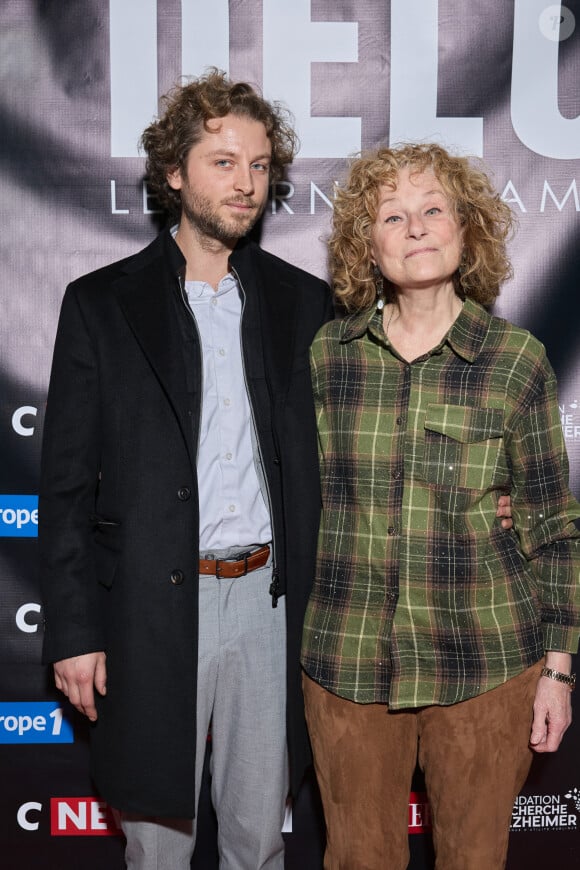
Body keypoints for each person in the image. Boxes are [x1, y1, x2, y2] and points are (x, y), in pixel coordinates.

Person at [38, 69, 333, 870]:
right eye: (224, 162)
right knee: (159, 849)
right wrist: (73, 631)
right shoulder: (101, 303)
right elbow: (64, 490)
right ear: (175, 172)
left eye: (261, 165)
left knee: (257, 844)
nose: (246, 184)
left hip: (271, 604)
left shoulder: (306, 305)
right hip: (149, 606)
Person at [301, 143, 580, 869]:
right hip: (348, 662)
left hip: (487, 663)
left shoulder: (517, 361)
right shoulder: (328, 357)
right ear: (369, 244)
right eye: (393, 216)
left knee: (474, 861)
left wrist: (558, 671)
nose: (416, 227)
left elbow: (553, 527)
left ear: (467, 229)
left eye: (433, 210)